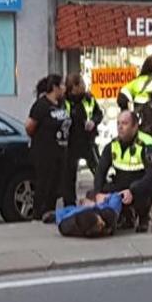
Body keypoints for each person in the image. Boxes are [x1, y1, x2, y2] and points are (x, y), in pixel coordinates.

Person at [93, 110, 152, 233]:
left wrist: (132, 191)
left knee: (143, 190)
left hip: (145, 185)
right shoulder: (113, 145)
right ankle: (126, 217)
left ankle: (144, 218)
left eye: (125, 124)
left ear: (135, 126)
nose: (120, 127)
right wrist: (98, 193)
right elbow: (100, 171)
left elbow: (151, 176)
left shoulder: (147, 144)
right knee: (100, 191)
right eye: (118, 123)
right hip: (123, 183)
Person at [26, 75, 71, 222]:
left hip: (60, 150)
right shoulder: (41, 105)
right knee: (44, 182)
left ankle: (50, 211)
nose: (64, 88)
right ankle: (39, 212)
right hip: (44, 152)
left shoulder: (62, 104)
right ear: (55, 87)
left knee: (56, 183)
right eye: (62, 85)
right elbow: (29, 126)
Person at [63, 73, 103, 206]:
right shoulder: (65, 101)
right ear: (74, 87)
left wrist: (93, 122)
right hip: (71, 142)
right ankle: (69, 202)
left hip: (88, 141)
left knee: (98, 170)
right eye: (81, 84)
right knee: (69, 175)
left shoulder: (89, 99)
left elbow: (98, 113)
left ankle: (102, 195)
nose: (84, 86)